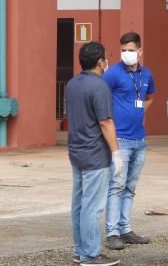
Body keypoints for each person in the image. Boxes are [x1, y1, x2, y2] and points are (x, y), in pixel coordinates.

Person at [66, 41, 123, 266]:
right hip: (95, 154)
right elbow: (106, 121)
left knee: (79, 204)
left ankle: (81, 250)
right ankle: (90, 254)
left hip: (76, 151)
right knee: (92, 205)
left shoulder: (72, 84)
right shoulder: (99, 86)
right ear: (100, 61)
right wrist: (116, 153)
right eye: (105, 57)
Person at [102, 32, 155, 251]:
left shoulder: (146, 74)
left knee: (130, 187)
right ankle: (112, 232)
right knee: (116, 186)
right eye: (123, 50)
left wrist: (140, 113)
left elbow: (150, 97)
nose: (127, 54)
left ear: (140, 51)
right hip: (120, 139)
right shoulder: (112, 74)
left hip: (139, 139)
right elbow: (100, 100)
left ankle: (125, 228)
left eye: (131, 50)